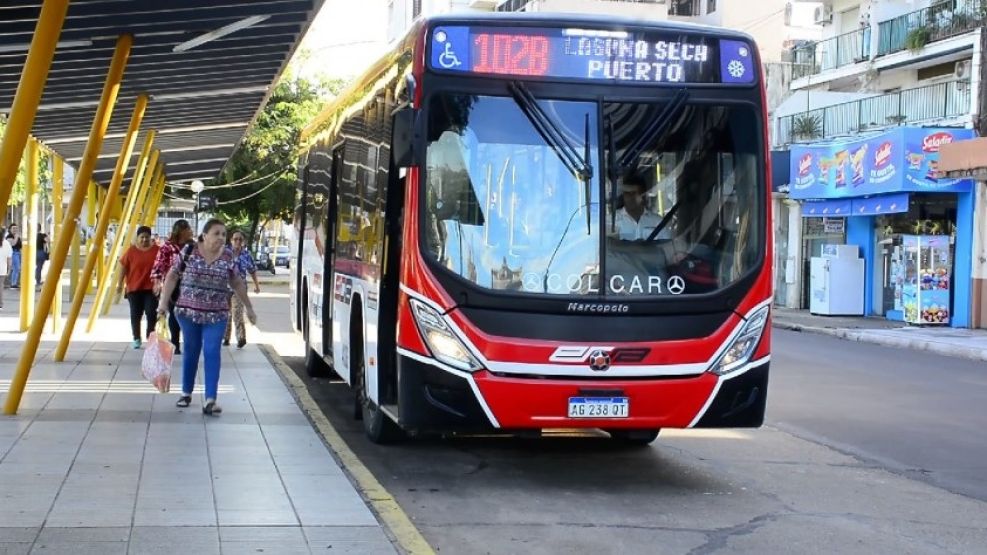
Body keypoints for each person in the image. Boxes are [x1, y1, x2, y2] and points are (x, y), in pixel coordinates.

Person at [157, 219, 257, 415]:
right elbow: (172, 276)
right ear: (204, 235)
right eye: (216, 233)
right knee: (191, 350)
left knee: (212, 351)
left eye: (223, 234)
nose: (221, 238)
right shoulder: (189, 251)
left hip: (217, 314)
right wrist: (162, 304)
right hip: (188, 312)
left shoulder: (228, 256)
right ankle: (186, 393)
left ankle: (211, 399)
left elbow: (236, 282)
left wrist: (249, 308)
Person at [151, 220, 194, 354]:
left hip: (190, 285)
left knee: (188, 315)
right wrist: (157, 283)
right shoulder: (167, 247)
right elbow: (158, 266)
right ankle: (175, 342)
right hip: (173, 285)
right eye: (188, 229)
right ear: (182, 231)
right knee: (175, 313)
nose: (191, 232)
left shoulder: (194, 246)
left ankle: (189, 340)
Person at [118, 226, 160, 349]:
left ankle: (150, 336)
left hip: (151, 289)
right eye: (142, 237)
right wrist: (120, 284)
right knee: (135, 314)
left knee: (152, 313)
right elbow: (123, 267)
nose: (144, 240)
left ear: (150, 238)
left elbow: (163, 267)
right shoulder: (131, 251)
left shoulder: (157, 251)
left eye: (147, 237)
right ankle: (136, 338)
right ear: (137, 238)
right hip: (134, 288)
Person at [224, 230, 261, 348]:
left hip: (239, 289)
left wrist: (257, 285)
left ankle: (241, 338)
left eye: (240, 239)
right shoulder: (225, 253)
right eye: (235, 239)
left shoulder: (246, 255)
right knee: (225, 314)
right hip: (225, 288)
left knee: (237, 313)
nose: (238, 241)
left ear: (243, 241)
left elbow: (252, 270)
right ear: (231, 240)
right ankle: (225, 338)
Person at [612, 174, 668, 241]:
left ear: (643, 195)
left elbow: (667, 247)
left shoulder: (658, 222)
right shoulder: (612, 221)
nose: (629, 198)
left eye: (633, 193)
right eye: (626, 193)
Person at [5, 223, 21, 289]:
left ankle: (14, 283)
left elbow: (20, 245)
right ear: (10, 229)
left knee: (16, 269)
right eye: (13, 228)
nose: (15, 230)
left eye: (16, 228)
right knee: (16, 268)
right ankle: (13, 284)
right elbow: (13, 244)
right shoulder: (9, 236)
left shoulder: (16, 236)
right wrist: (17, 237)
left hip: (17, 253)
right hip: (13, 253)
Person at [0, 229, 12, 310]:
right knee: (1, 286)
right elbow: (9, 258)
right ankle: (0, 304)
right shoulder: (6, 243)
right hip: (2, 269)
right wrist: (9, 269)